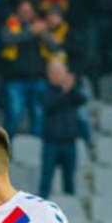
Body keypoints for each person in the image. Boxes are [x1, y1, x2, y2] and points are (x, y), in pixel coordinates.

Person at [0, 0, 49, 139]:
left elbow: (54, 45)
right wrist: (30, 32)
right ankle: (7, 146)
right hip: (15, 79)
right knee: (14, 115)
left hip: (38, 78)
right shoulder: (11, 24)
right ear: (17, 12)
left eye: (29, 11)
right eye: (23, 10)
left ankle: (37, 147)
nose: (26, 13)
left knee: (38, 115)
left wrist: (44, 33)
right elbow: (7, 39)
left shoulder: (40, 25)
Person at [39, 61, 85, 197]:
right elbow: (50, 106)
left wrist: (71, 89)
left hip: (69, 142)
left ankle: (69, 206)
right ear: (48, 75)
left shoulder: (72, 92)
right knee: (46, 179)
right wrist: (64, 91)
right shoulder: (45, 91)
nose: (57, 77)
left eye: (60, 74)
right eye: (54, 73)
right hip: (51, 142)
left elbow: (82, 100)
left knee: (69, 180)